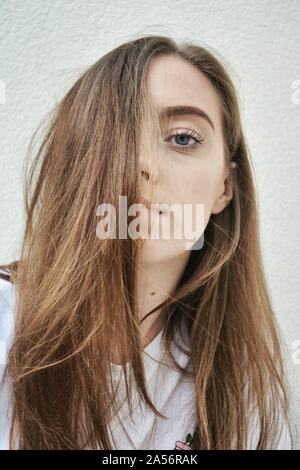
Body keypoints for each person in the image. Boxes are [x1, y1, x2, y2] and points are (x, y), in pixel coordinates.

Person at [0, 35, 295, 450]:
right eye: (113, 137)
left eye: (183, 138)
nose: (144, 164)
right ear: (74, 167)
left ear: (224, 188)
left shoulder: (240, 379)